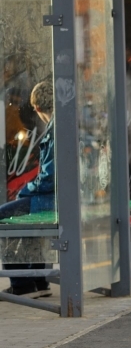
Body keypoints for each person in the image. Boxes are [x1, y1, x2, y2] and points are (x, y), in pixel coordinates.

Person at [1, 81, 55, 299]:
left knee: (4, 216)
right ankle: (39, 280)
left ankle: (22, 284)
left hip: (50, 199)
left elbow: (49, 179)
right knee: (25, 218)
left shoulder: (55, 131)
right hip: (56, 198)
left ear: (38, 109)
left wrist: (26, 189)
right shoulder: (64, 125)